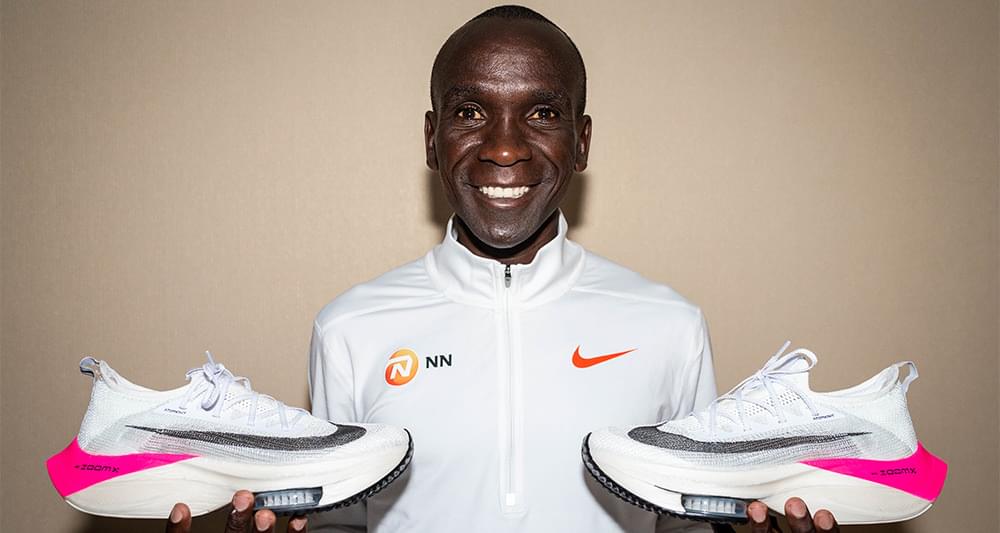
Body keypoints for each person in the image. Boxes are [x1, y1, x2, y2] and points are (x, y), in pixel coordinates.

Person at [165, 6, 841, 533]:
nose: (505, 147)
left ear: (581, 141)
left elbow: (687, 520)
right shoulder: (349, 328)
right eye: (470, 112)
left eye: (542, 113)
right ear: (432, 139)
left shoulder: (671, 325)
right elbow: (337, 522)